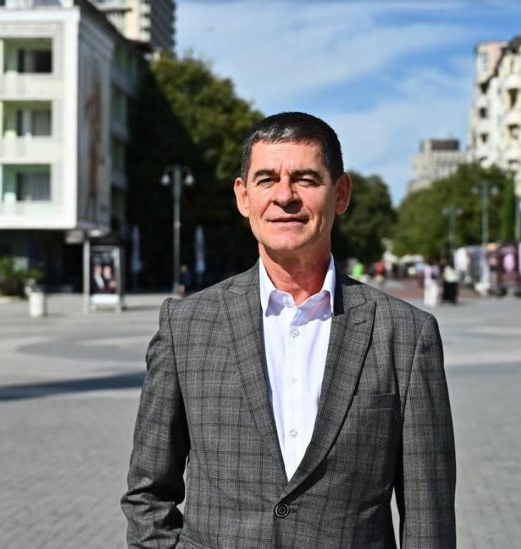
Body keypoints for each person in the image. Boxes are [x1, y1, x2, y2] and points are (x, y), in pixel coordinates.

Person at [122, 112, 456, 548]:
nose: (284, 196)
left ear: (341, 193)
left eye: (305, 179)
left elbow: (429, 517)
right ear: (243, 197)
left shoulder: (406, 335)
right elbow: (148, 493)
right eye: (266, 180)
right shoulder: (186, 326)